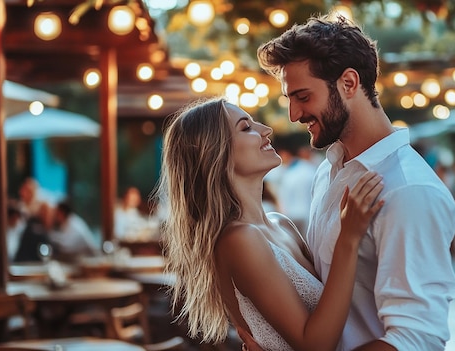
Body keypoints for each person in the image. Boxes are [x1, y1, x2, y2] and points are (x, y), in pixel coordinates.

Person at [257, 14, 455, 350]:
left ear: (349, 83)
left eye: (303, 97)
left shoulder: (409, 190)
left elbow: (416, 339)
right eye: (290, 99)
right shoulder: (328, 170)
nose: (293, 114)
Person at [156, 97, 384, 351]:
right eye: (246, 128)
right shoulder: (239, 240)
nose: (266, 130)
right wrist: (348, 240)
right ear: (215, 153)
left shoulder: (281, 224)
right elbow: (316, 345)